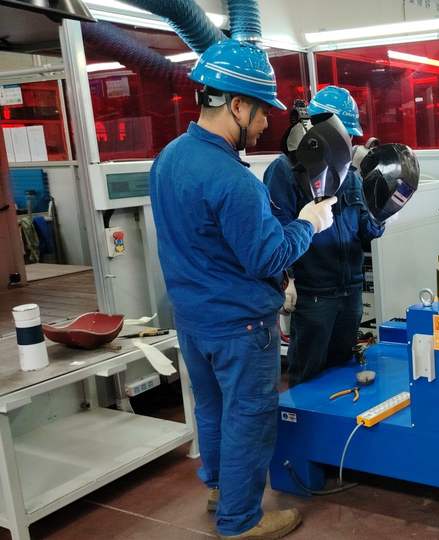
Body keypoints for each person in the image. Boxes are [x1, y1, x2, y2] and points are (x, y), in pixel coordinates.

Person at [149, 39, 337, 540]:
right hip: (240, 325)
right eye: (261, 112)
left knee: (212, 409)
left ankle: (219, 489)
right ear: (236, 104)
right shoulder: (234, 180)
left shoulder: (169, 158)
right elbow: (268, 257)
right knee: (248, 418)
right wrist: (309, 222)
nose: (264, 125)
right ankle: (240, 520)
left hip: (193, 320)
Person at [265, 86, 385, 387]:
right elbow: (277, 232)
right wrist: (286, 279)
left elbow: (366, 233)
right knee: (308, 377)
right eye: (345, 136)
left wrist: (383, 213)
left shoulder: (351, 177)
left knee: (342, 374)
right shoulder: (285, 171)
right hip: (314, 295)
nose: (349, 145)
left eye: (351, 138)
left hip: (350, 292)